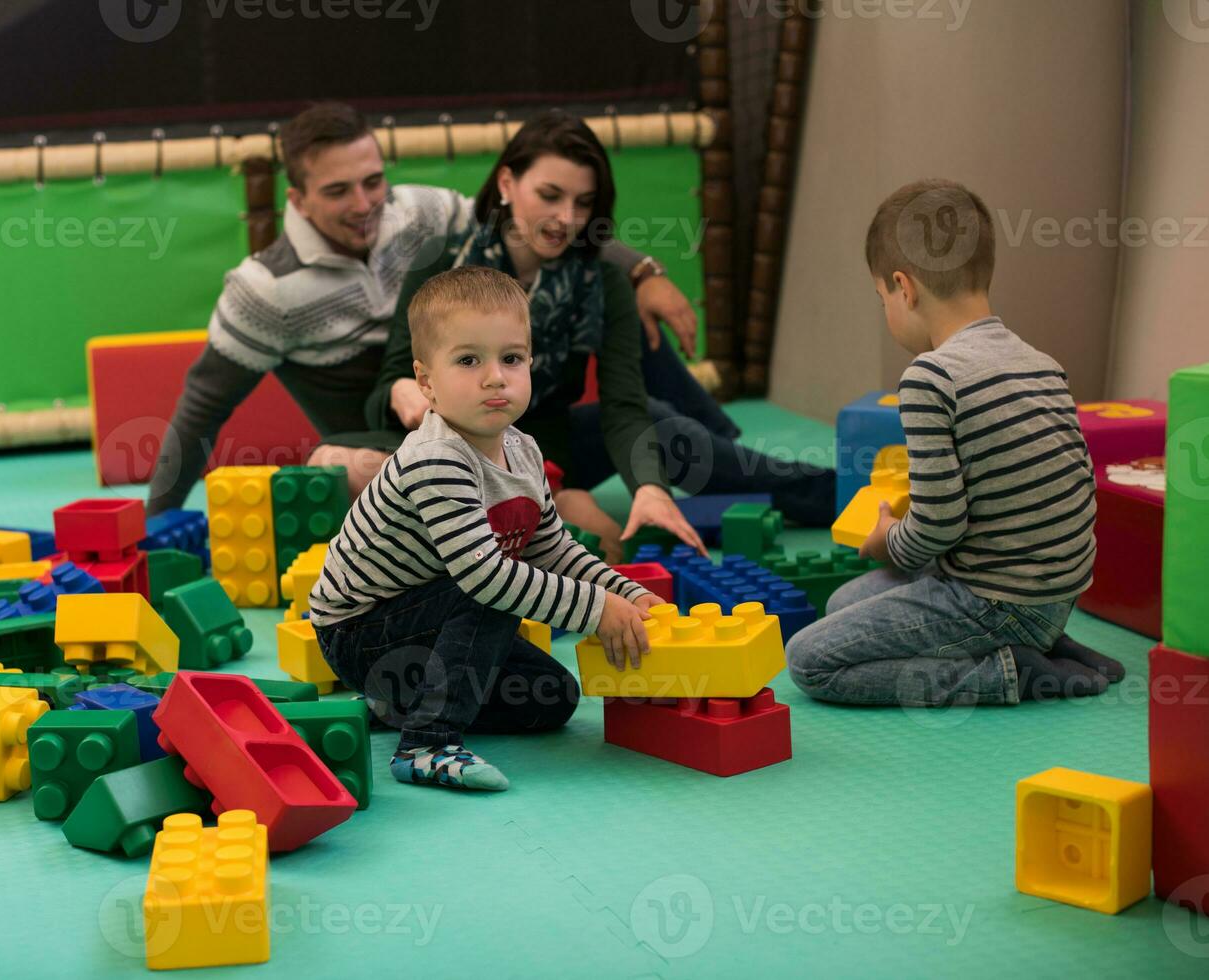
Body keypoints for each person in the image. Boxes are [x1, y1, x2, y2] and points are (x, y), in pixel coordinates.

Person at [145, 102, 699, 516]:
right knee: (343, 467)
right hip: (394, 442)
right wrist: (158, 525)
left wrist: (640, 270)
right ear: (298, 199)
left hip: (503, 417)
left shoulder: (420, 215)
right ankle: (531, 504)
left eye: (373, 182)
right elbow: (202, 410)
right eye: (339, 191)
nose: (364, 206)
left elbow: (536, 220)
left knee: (637, 355)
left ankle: (711, 460)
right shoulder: (264, 290)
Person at [357, 110, 836, 560]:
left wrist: (649, 488)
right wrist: (403, 389)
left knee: (662, 424)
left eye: (583, 202)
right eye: (550, 196)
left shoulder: (601, 281)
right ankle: (550, 505)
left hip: (551, 446)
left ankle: (839, 493)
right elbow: (390, 384)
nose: (567, 217)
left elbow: (623, 405)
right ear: (507, 182)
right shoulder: (444, 260)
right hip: (458, 456)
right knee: (342, 459)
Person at [310, 266, 660, 791]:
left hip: (425, 622)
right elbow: (487, 580)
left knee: (551, 698)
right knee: (493, 587)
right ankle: (425, 744)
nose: (495, 377)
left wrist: (622, 591)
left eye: (511, 358)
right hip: (358, 630)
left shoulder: (523, 449)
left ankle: (399, 701)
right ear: (426, 381)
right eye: (469, 360)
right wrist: (595, 610)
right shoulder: (438, 458)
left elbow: (551, 548)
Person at [785, 179, 1125, 708]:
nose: (887, 313)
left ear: (905, 287)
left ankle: (1010, 673)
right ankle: (1048, 643)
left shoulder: (930, 377)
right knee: (841, 604)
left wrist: (885, 540)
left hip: (993, 600)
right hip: (1055, 593)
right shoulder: (1040, 362)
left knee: (811, 660)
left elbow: (938, 526)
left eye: (882, 301)